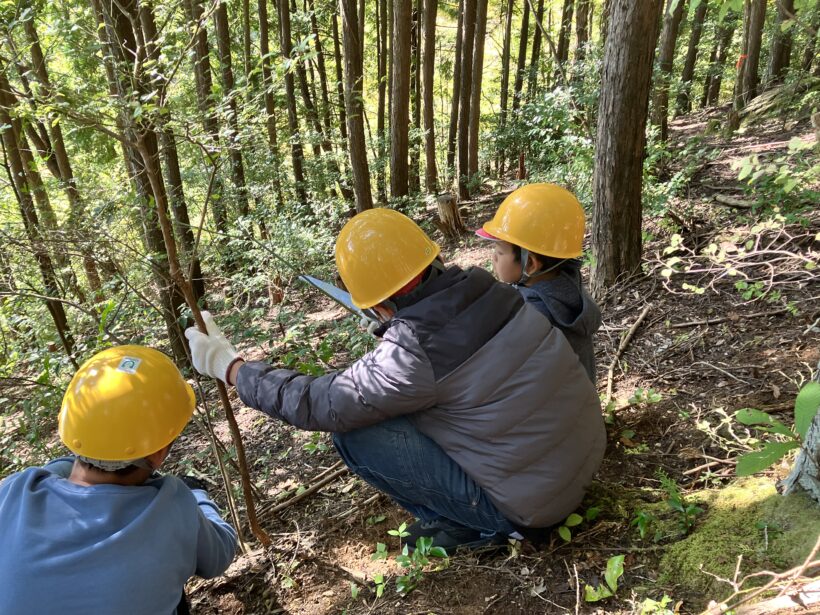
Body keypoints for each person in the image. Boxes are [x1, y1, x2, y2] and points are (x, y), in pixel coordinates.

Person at [186, 208, 605, 553]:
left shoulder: (413, 355)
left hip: (532, 507)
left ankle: (478, 526)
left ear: (381, 306)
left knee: (353, 435)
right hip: (582, 459)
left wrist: (233, 368)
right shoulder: (500, 293)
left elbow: (321, 402)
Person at [0, 345, 238, 615]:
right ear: (159, 453)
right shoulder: (171, 505)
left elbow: (59, 469)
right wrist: (198, 497)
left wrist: (98, 451)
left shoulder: (14, 491)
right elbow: (220, 555)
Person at [476, 183, 601, 383]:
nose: (494, 259)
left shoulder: (530, 317)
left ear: (531, 264)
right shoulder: (568, 291)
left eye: (499, 251)